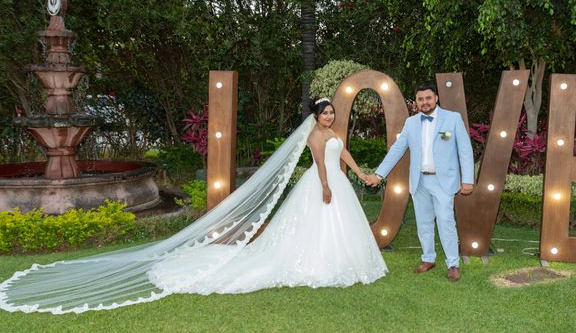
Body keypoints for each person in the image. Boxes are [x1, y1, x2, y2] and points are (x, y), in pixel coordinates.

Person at [0, 98, 386, 314]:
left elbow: (344, 154)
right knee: (314, 226)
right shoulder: (315, 137)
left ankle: (339, 259)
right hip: (322, 184)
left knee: (336, 227)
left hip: (337, 180)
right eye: (324, 113)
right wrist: (325, 187)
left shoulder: (334, 133)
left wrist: (361, 173)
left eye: (332, 111)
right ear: (315, 117)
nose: (329, 116)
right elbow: (321, 162)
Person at [365, 84, 474, 281]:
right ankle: (428, 259)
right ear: (416, 102)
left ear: (436, 98)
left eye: (428, 98)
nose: (424, 102)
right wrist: (379, 174)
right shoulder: (411, 122)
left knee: (445, 222)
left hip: (443, 182)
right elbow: (397, 149)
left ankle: (453, 264)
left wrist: (467, 180)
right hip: (419, 181)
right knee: (423, 223)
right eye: (420, 99)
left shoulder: (453, 119)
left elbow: (464, 150)